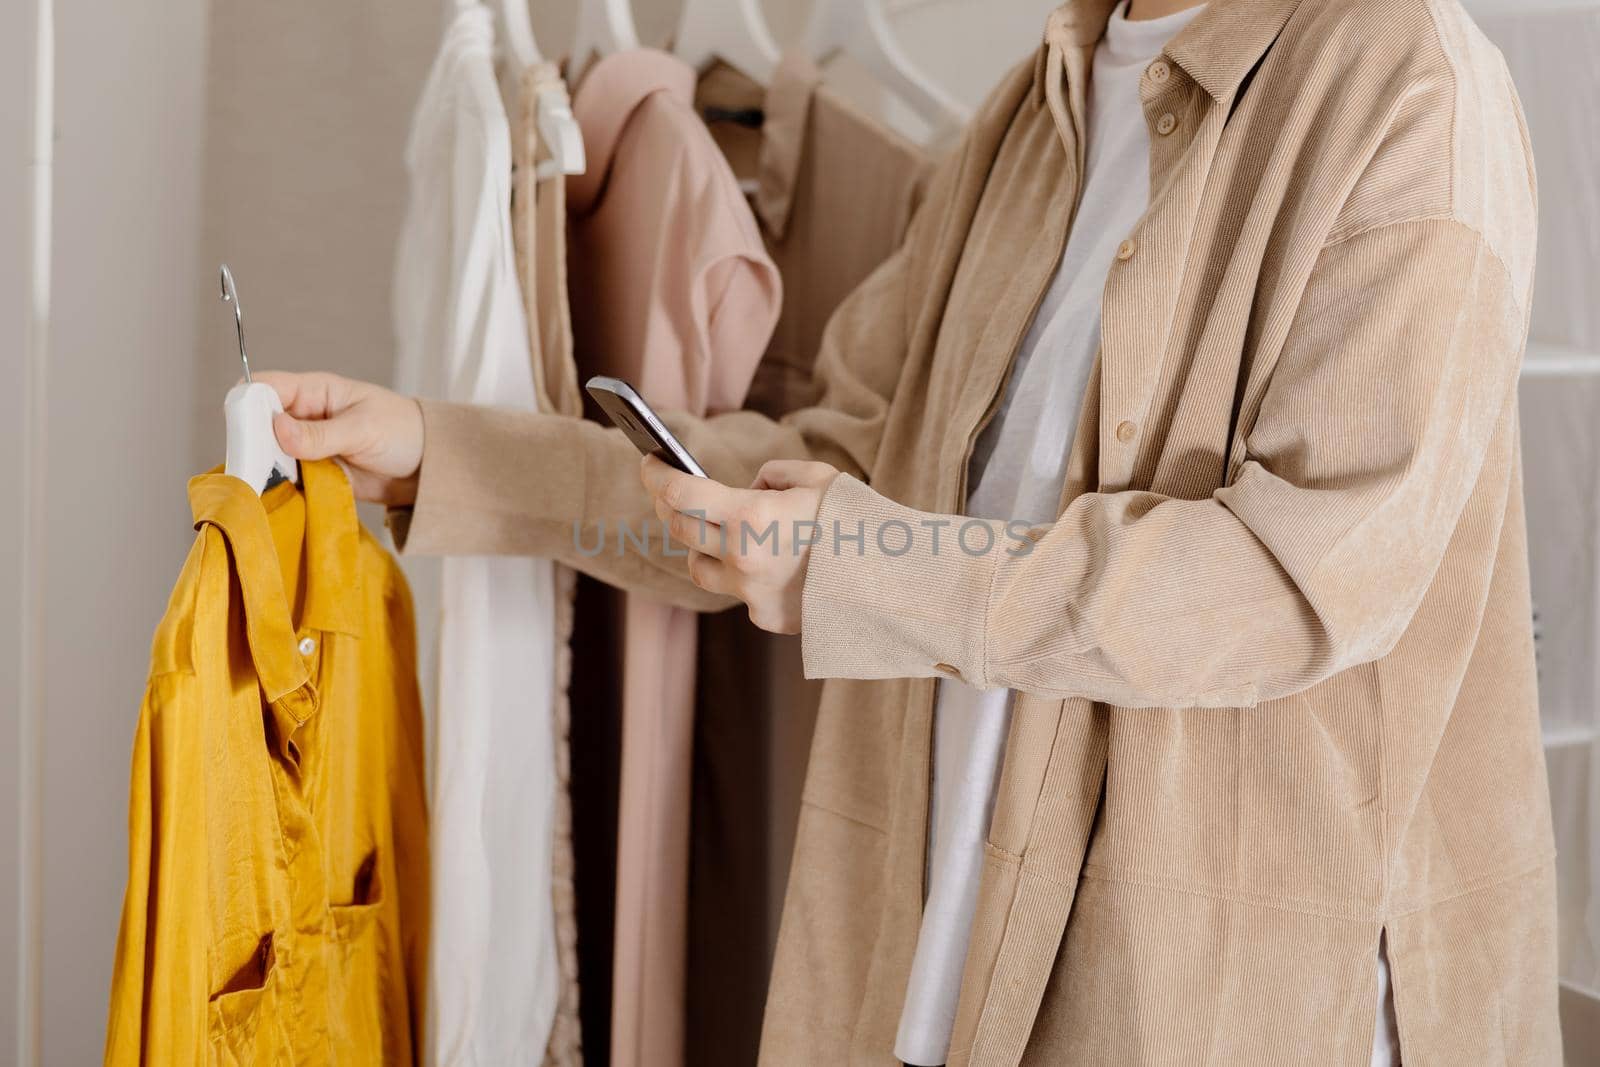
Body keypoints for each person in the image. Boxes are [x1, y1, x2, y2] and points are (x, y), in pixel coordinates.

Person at [258, 0, 1559, 1061]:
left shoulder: (1407, 87)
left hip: (1213, 1004)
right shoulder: (1028, 119)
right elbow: (821, 479)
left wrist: (861, 563)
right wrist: (442, 450)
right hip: (942, 963)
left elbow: (1287, 582)